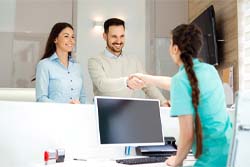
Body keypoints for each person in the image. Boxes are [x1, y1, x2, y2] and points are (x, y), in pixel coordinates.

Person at [132, 24, 232, 167]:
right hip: (231, 152)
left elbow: (187, 135)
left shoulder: (182, 80)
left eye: (170, 43)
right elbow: (176, 83)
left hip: (211, 159)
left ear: (175, 48)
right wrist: (145, 78)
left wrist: (177, 161)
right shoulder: (210, 70)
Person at [88, 18, 168, 106]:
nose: (119, 41)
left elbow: (147, 85)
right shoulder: (95, 61)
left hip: (127, 110)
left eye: (122, 36)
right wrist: (126, 82)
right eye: (114, 36)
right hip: (103, 110)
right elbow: (102, 84)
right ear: (105, 36)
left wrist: (163, 102)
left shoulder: (133, 60)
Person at [35, 22, 86, 104]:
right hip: (55, 115)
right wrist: (65, 107)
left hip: (77, 115)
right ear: (55, 39)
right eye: (66, 36)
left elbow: (83, 97)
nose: (71, 40)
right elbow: (41, 98)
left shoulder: (77, 67)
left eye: (73, 37)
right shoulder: (44, 65)